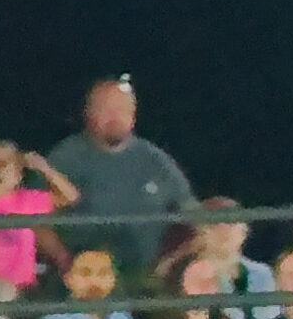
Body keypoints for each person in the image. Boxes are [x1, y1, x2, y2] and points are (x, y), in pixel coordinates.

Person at [44, 77, 196, 280]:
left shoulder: (157, 162)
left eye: (122, 109)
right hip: (79, 279)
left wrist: (171, 263)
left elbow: (196, 217)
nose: (115, 116)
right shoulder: (64, 159)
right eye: (106, 108)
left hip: (143, 281)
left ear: (134, 115)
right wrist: (64, 260)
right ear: (88, 113)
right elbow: (35, 220)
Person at [0, 140, 78, 289]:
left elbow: (71, 196)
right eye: (0, 164)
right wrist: (3, 186)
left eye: (10, 163)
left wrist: (45, 169)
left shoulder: (26, 198)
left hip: (24, 285)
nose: (6, 169)